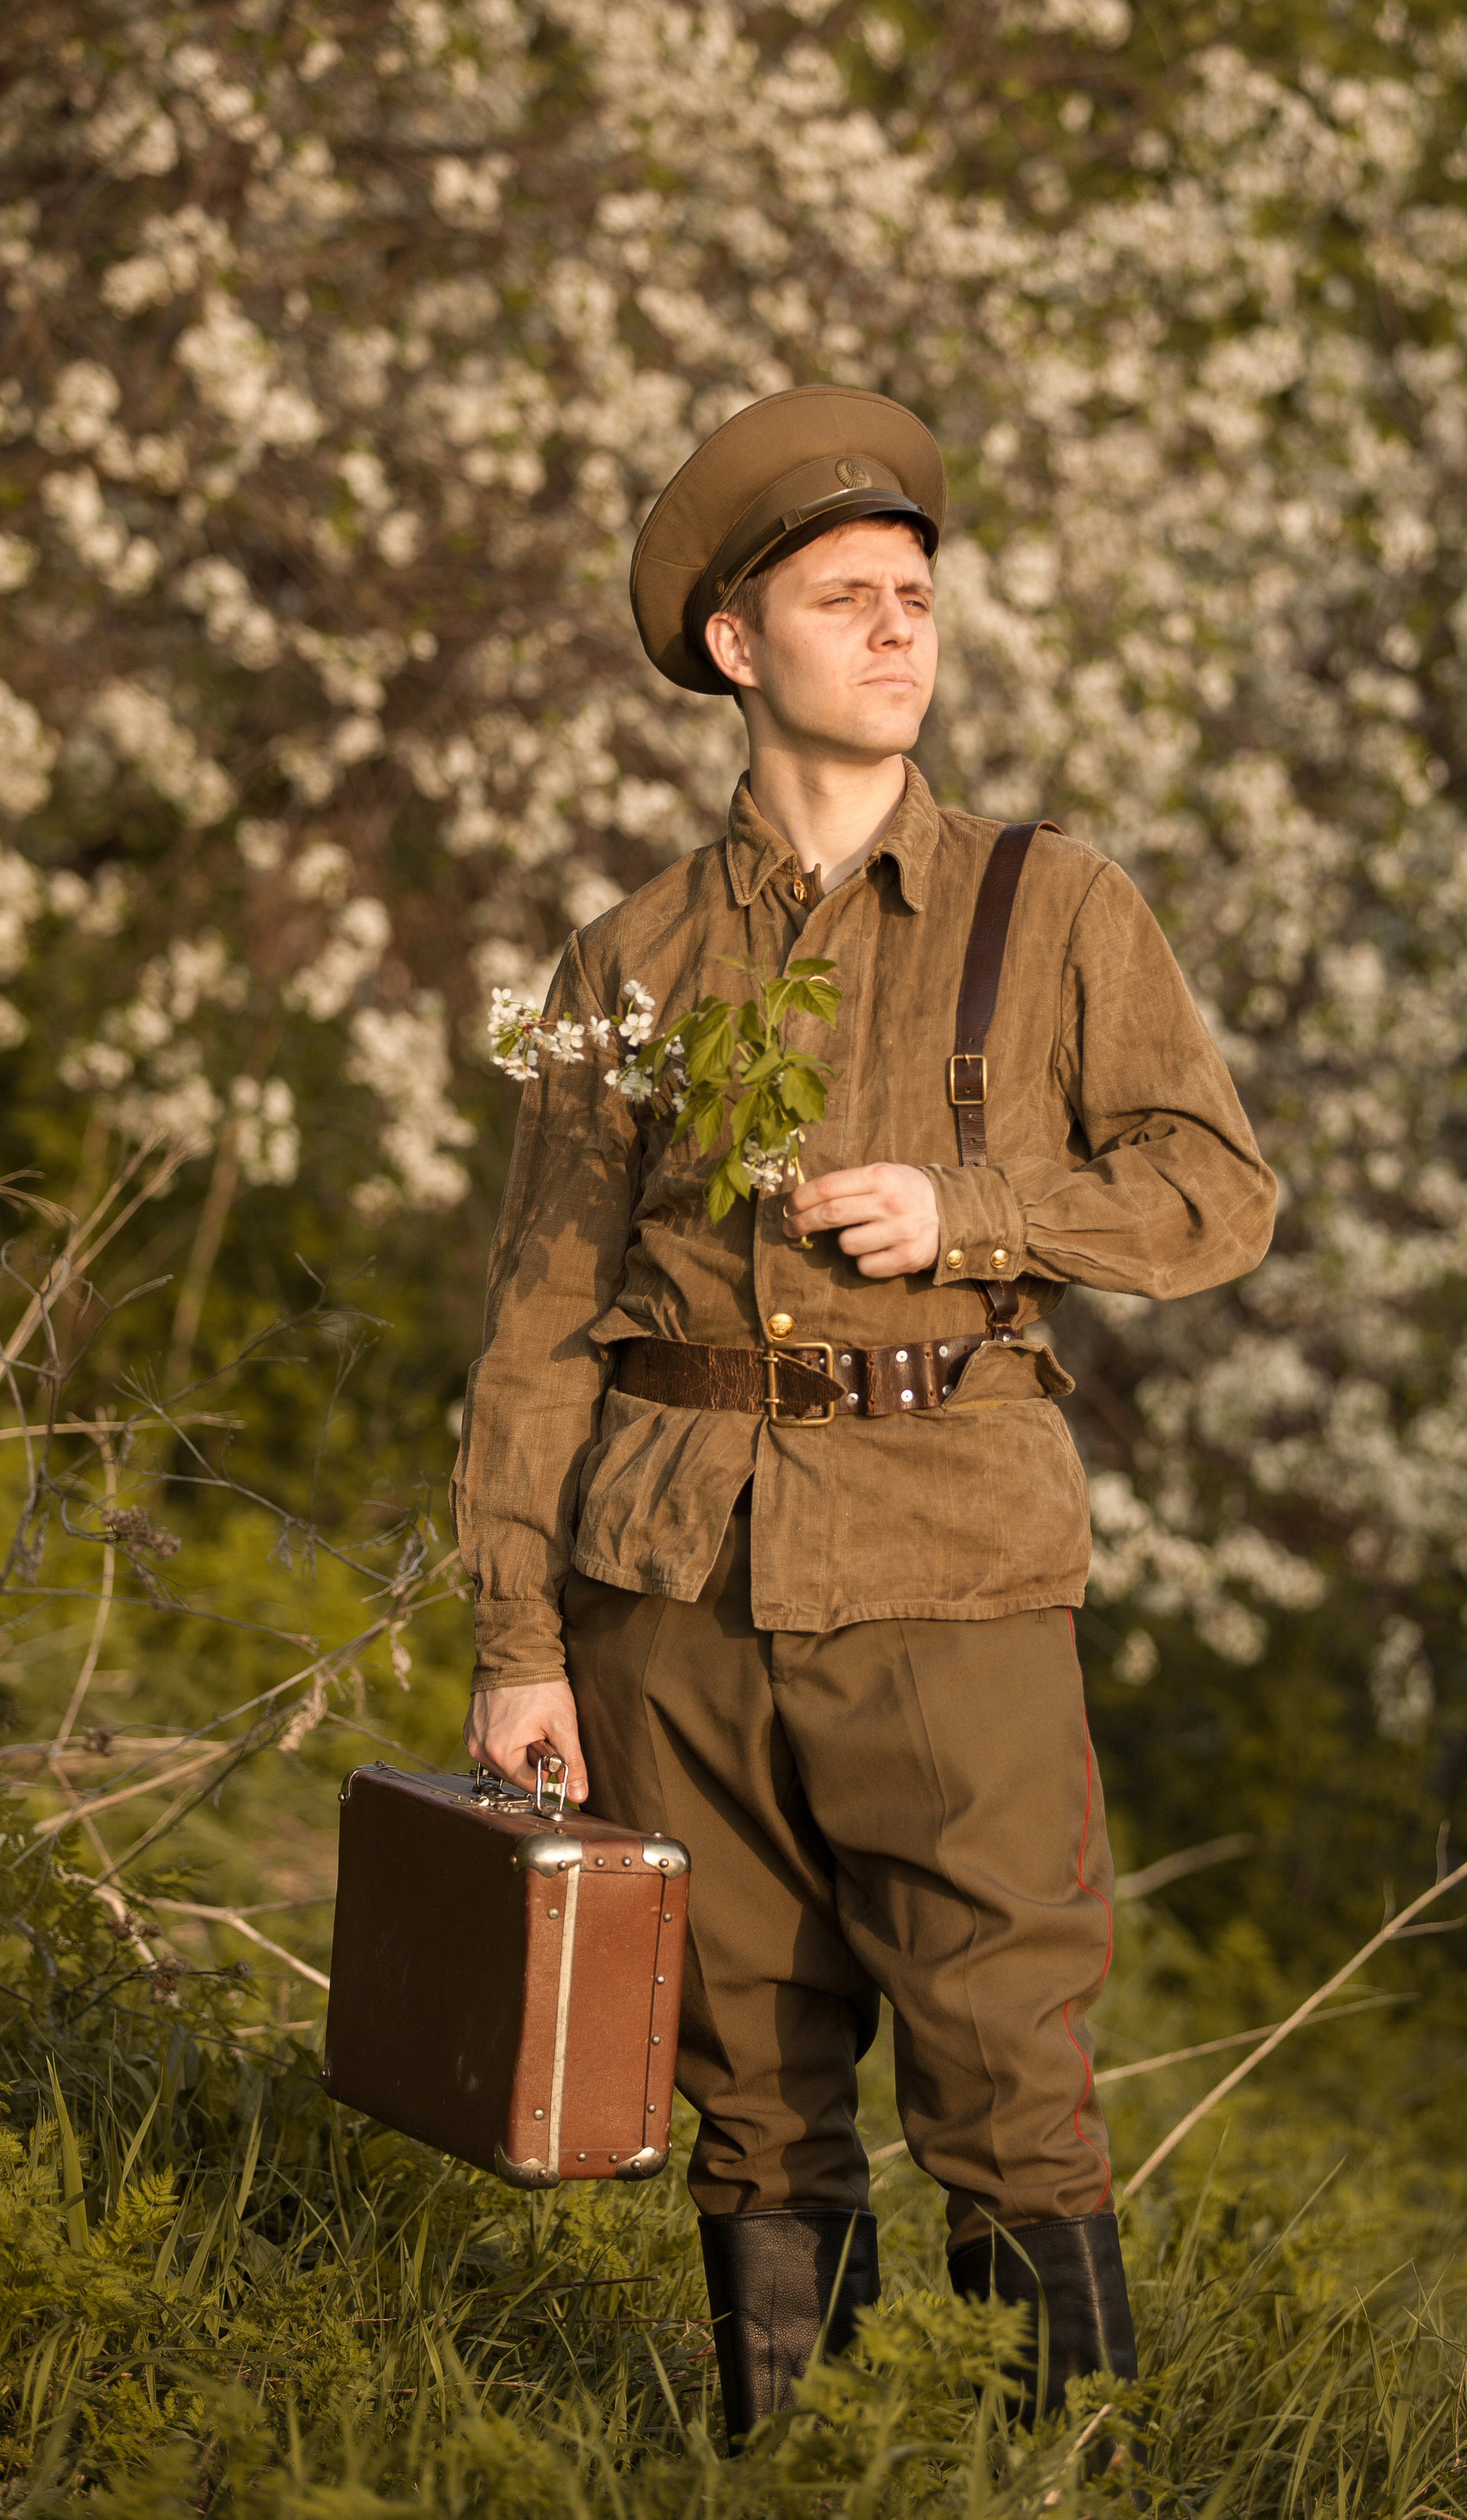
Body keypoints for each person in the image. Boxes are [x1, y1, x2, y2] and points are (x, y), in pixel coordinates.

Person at [453, 383, 1278, 2443]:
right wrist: (515, 1645)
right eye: (850, 599)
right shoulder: (623, 963)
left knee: (1005, 2065)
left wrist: (976, 1209)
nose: (904, 632)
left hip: (950, 1568)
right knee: (747, 2090)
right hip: (675, 1585)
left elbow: (1220, 1195)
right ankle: (795, 2477)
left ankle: (1057, 2481)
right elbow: (542, 1324)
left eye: (918, 596)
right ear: (741, 647)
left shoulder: (1052, 906)